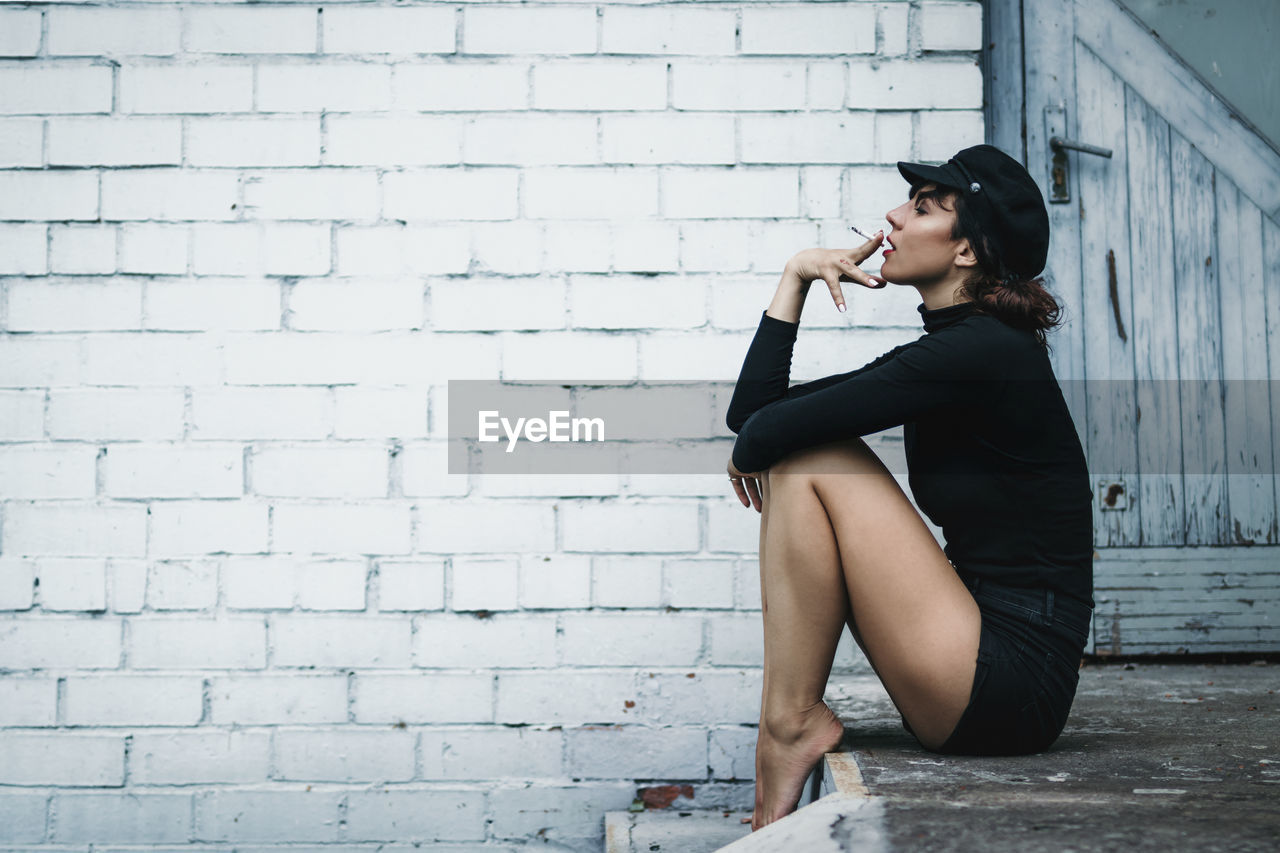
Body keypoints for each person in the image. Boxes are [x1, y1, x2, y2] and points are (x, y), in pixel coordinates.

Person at [725, 144, 1095, 831]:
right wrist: (796, 275)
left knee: (809, 455)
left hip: (1009, 681)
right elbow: (752, 421)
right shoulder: (962, 348)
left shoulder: (979, 352)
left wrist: (767, 437)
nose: (892, 217)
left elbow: (760, 434)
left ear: (965, 252)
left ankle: (790, 721)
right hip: (978, 649)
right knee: (801, 450)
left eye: (923, 207)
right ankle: (790, 721)